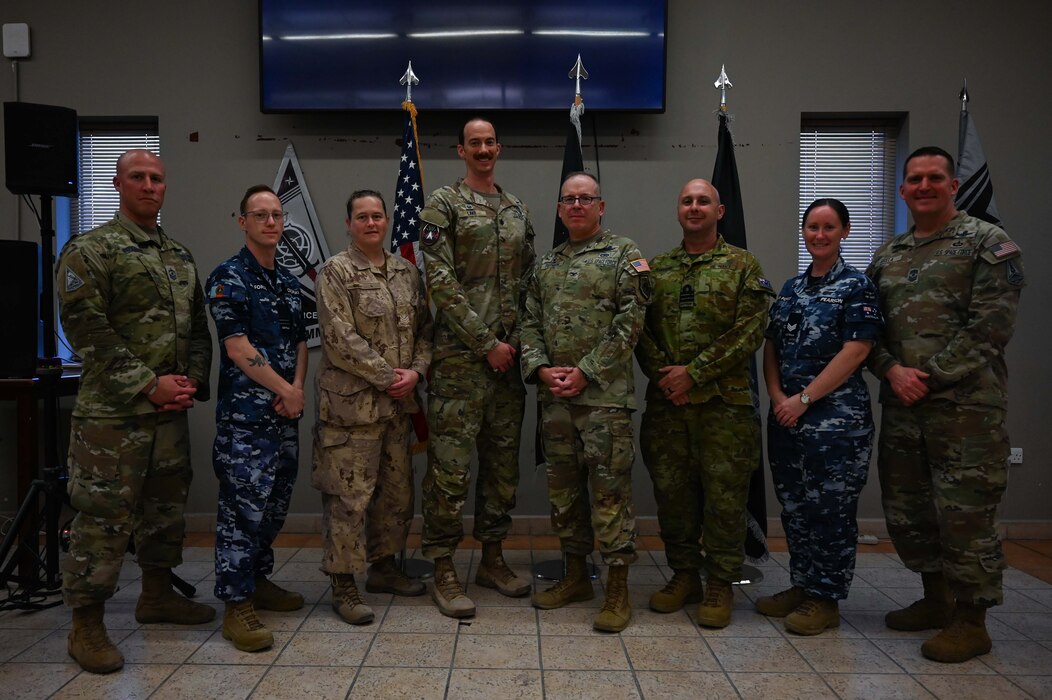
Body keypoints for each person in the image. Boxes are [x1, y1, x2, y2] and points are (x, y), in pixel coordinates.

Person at [56, 149, 214, 674]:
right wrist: (148, 384)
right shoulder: (91, 250)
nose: (149, 185)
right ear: (119, 184)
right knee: (102, 520)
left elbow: (196, 329)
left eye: (157, 178)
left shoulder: (179, 256)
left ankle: (156, 596)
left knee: (163, 512)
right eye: (138, 178)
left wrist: (189, 382)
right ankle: (86, 626)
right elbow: (85, 329)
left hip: (168, 414)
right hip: (113, 417)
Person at [867, 146, 1024, 663]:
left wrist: (929, 379)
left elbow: (990, 327)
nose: (925, 186)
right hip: (903, 406)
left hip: (967, 411)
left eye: (935, 177)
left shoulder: (988, 242)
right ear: (903, 190)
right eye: (915, 179)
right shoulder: (888, 256)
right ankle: (935, 598)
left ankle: (971, 619)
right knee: (909, 510)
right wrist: (891, 369)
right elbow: (869, 329)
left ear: (954, 186)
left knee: (965, 514)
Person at [635, 178, 773, 629]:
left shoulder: (742, 265)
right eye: (687, 201)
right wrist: (667, 375)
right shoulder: (657, 269)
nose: (694, 207)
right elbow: (641, 332)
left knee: (724, 499)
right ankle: (684, 575)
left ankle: (719, 582)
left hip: (723, 409)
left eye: (703, 201)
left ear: (720, 211)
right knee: (672, 496)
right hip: (668, 406)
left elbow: (751, 331)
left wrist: (693, 373)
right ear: (679, 210)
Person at [520, 172, 650, 633]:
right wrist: (540, 368)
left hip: (604, 402)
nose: (576, 205)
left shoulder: (624, 255)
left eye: (585, 198)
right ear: (560, 209)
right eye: (569, 199)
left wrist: (586, 371)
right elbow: (528, 323)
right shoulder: (546, 265)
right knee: (564, 494)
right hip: (555, 399)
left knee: (610, 495)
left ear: (601, 206)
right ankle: (576, 575)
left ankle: (617, 589)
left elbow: (629, 325)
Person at [419, 117, 535, 618]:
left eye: (490, 142)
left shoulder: (516, 210)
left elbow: (530, 283)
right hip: (461, 363)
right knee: (449, 471)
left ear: (499, 148)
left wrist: (517, 348)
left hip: (508, 365)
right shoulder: (442, 206)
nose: (483, 149)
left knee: (501, 470)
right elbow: (440, 283)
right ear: (461, 150)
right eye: (475, 143)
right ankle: (443, 566)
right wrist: (486, 342)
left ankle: (492, 557)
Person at [756, 198, 883, 635]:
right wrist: (777, 397)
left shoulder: (856, 287)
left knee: (830, 510)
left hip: (836, 424)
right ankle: (802, 584)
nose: (820, 234)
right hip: (787, 418)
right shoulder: (791, 288)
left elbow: (858, 350)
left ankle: (825, 597)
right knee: (794, 508)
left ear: (844, 232)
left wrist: (803, 400)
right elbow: (771, 346)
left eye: (830, 227)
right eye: (813, 227)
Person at [313, 190, 433, 626]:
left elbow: (425, 331)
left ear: (387, 221)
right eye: (361, 216)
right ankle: (344, 581)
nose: (370, 223)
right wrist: (390, 377)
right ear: (349, 223)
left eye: (377, 215)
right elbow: (339, 339)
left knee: (396, 496)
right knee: (349, 498)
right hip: (352, 411)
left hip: (399, 408)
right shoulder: (336, 272)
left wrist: (416, 373)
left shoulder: (407, 273)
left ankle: (384, 568)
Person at [206, 185, 308, 652]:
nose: (270, 222)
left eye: (276, 215)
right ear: (241, 221)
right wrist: (286, 390)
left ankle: (258, 581)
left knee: (273, 509)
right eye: (259, 214)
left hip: (284, 416)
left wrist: (296, 391)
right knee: (241, 513)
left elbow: (303, 344)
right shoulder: (229, 277)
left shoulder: (288, 282)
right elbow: (237, 347)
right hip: (246, 422)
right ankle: (235, 604)